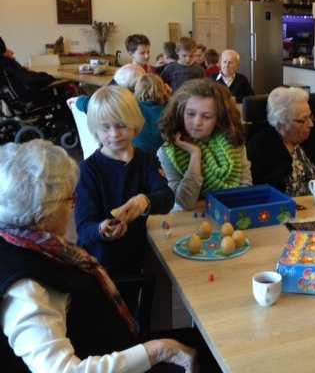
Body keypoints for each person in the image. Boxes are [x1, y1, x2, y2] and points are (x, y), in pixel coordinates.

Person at [0, 140, 198, 373]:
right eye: (70, 200)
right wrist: (158, 350)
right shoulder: (26, 288)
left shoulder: (34, 244)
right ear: (43, 212)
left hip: (110, 346)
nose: (73, 207)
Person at [75, 86, 174, 275]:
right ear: (95, 129)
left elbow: (166, 198)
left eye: (121, 125)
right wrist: (101, 229)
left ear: (134, 124)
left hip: (140, 255)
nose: (114, 134)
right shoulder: (88, 170)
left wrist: (146, 200)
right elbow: (84, 226)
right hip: (102, 262)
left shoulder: (147, 160)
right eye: (105, 127)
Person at [158, 79, 252, 211]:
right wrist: (195, 154)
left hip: (232, 213)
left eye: (207, 116)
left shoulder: (233, 139)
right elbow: (185, 202)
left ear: (219, 118)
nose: (197, 122)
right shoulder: (167, 152)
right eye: (190, 114)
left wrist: (205, 204)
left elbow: (246, 187)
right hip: (189, 222)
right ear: (180, 112)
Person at [247, 87, 315, 196]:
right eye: (302, 120)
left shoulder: (313, 134)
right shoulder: (262, 145)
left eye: (310, 116)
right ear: (282, 123)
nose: (310, 124)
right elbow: (266, 191)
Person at [0, 36, 58, 104]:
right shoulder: (6, 62)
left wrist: (22, 69)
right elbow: (29, 80)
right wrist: (49, 77)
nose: (12, 52)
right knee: (65, 88)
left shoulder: (5, 62)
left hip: (17, 100)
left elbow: (23, 76)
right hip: (30, 99)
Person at [133, 73, 170, 154]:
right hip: (161, 154)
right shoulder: (169, 108)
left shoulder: (133, 105)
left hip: (136, 152)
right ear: (162, 89)